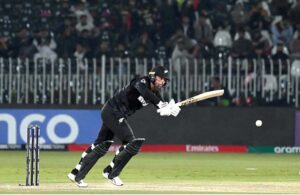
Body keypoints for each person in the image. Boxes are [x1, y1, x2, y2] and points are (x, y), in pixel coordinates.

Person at [67, 65, 181, 187]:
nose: (163, 81)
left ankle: (76, 173)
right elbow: (144, 92)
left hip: (116, 114)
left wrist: (170, 109)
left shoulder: (155, 94)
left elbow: (160, 107)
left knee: (100, 144)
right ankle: (111, 173)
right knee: (131, 142)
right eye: (161, 78)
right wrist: (161, 104)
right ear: (153, 76)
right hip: (112, 111)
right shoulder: (141, 81)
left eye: (165, 80)